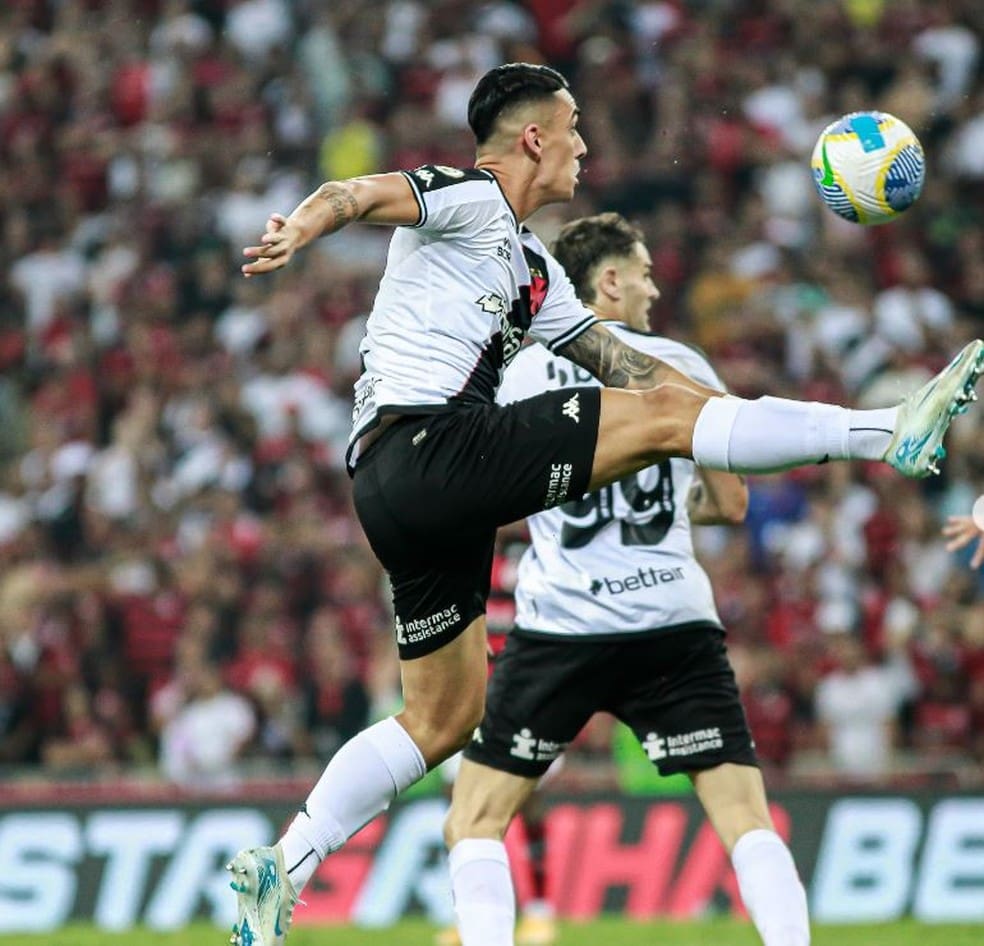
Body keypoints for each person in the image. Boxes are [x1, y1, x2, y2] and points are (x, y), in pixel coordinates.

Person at [227, 62, 983, 946]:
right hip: (430, 443)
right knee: (666, 423)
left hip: (398, 492)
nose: (586, 143)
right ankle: (891, 430)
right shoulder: (470, 198)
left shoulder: (536, 272)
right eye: (574, 124)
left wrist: (707, 410)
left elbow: (634, 372)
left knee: (444, 718)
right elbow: (354, 192)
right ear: (533, 137)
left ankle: (288, 860)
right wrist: (299, 229)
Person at [441, 211, 807, 946]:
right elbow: (731, 502)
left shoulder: (520, 372)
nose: (652, 284)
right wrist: (669, 500)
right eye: (641, 271)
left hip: (563, 625)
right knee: (743, 817)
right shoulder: (685, 367)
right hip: (673, 619)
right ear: (607, 282)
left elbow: (482, 486)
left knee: (474, 817)